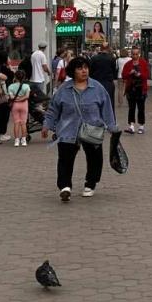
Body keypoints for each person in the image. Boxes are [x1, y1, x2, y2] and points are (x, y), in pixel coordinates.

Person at [42, 56, 118, 201]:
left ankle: (90, 184)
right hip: (67, 130)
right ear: (73, 71)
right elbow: (53, 109)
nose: (84, 71)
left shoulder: (97, 88)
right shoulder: (64, 89)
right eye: (79, 68)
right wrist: (47, 125)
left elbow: (107, 108)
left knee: (95, 159)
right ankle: (65, 186)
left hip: (92, 129)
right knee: (65, 159)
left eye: (86, 68)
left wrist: (112, 127)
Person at [122, 47, 149, 134]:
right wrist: (130, 73)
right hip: (131, 89)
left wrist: (139, 74)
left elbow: (146, 76)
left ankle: (141, 126)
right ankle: (131, 126)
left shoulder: (143, 63)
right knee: (131, 108)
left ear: (139, 54)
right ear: (131, 54)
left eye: (136, 54)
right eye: (133, 54)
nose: (135, 56)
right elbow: (124, 76)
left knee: (141, 108)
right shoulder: (128, 64)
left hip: (141, 89)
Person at [0, 51, 14, 142]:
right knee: (4, 114)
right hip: (4, 95)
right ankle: (2, 133)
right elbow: (12, 75)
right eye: (8, 57)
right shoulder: (4, 68)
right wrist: (10, 66)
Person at [6, 70, 31, 147]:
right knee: (23, 123)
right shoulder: (26, 86)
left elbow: (12, 97)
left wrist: (16, 100)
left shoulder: (11, 86)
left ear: (15, 77)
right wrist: (21, 99)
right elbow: (27, 96)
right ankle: (23, 140)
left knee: (16, 123)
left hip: (15, 105)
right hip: (24, 105)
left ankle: (16, 140)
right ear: (24, 77)